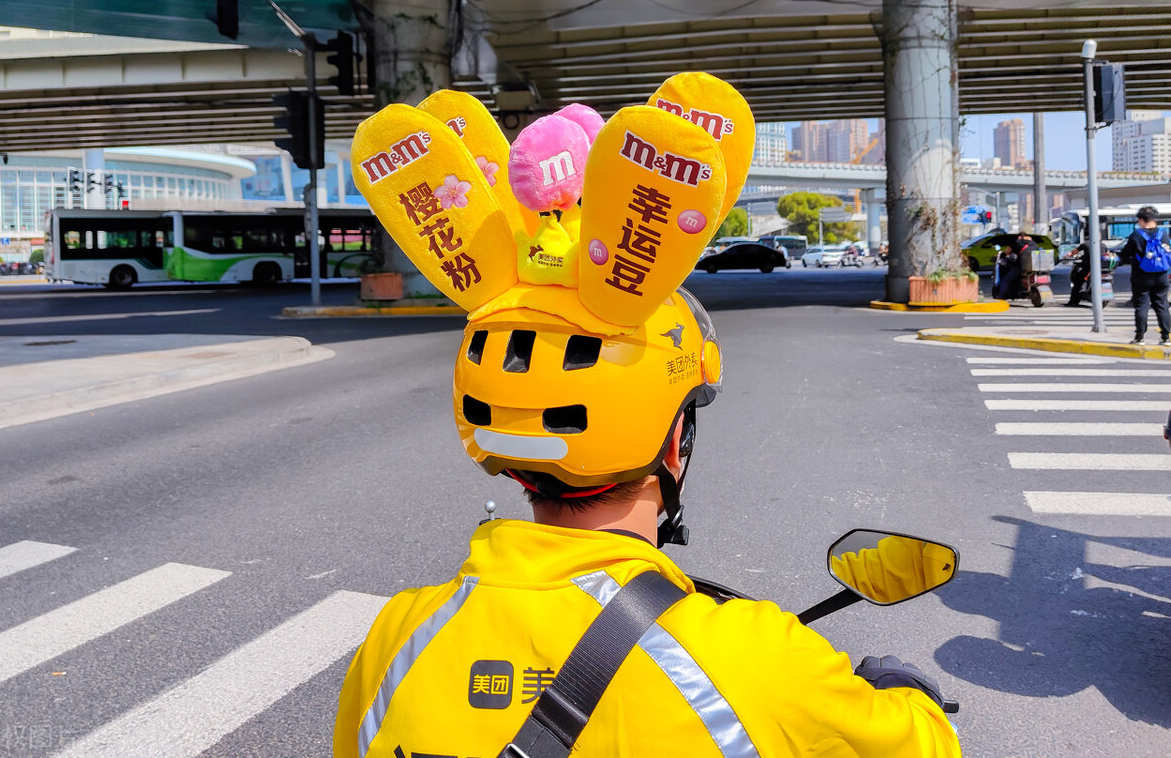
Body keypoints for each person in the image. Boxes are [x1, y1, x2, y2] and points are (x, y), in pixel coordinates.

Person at [335, 77, 959, 758]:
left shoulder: (395, 640)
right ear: (674, 441)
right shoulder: (759, 662)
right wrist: (907, 690)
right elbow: (930, 745)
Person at [1117, 205, 1171, 345]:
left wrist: (1115, 263)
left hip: (1142, 276)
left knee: (1141, 305)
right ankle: (1166, 337)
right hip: (1162, 275)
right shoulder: (1163, 234)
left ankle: (1140, 337)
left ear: (1141, 220)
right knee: (1162, 305)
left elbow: (1125, 254)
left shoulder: (1136, 235)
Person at [1065, 240, 1091, 306]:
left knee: (1077, 282)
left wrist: (1067, 255)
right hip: (1101, 268)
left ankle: (1073, 301)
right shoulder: (1103, 245)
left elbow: (1074, 251)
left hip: (1087, 268)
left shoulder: (1086, 244)